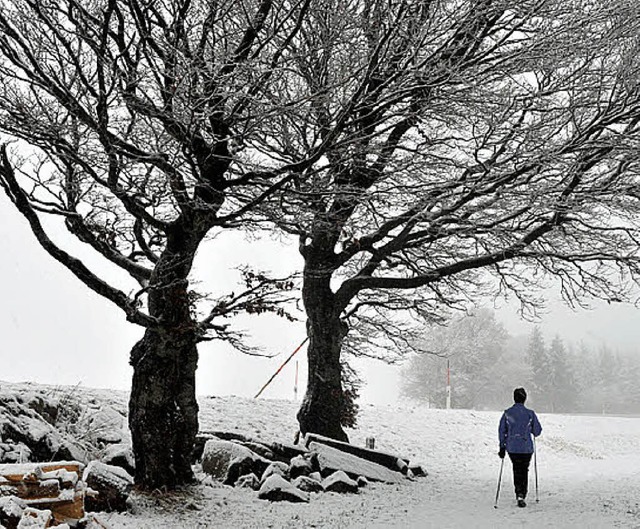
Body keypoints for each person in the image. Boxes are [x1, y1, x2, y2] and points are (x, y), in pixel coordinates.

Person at [498, 387, 542, 508]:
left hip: (512, 447)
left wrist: (502, 447)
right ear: (524, 398)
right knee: (524, 469)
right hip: (526, 447)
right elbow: (537, 431)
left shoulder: (507, 413)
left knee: (517, 469)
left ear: (514, 398)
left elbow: (502, 431)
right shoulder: (530, 414)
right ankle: (522, 493)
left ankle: (519, 493)